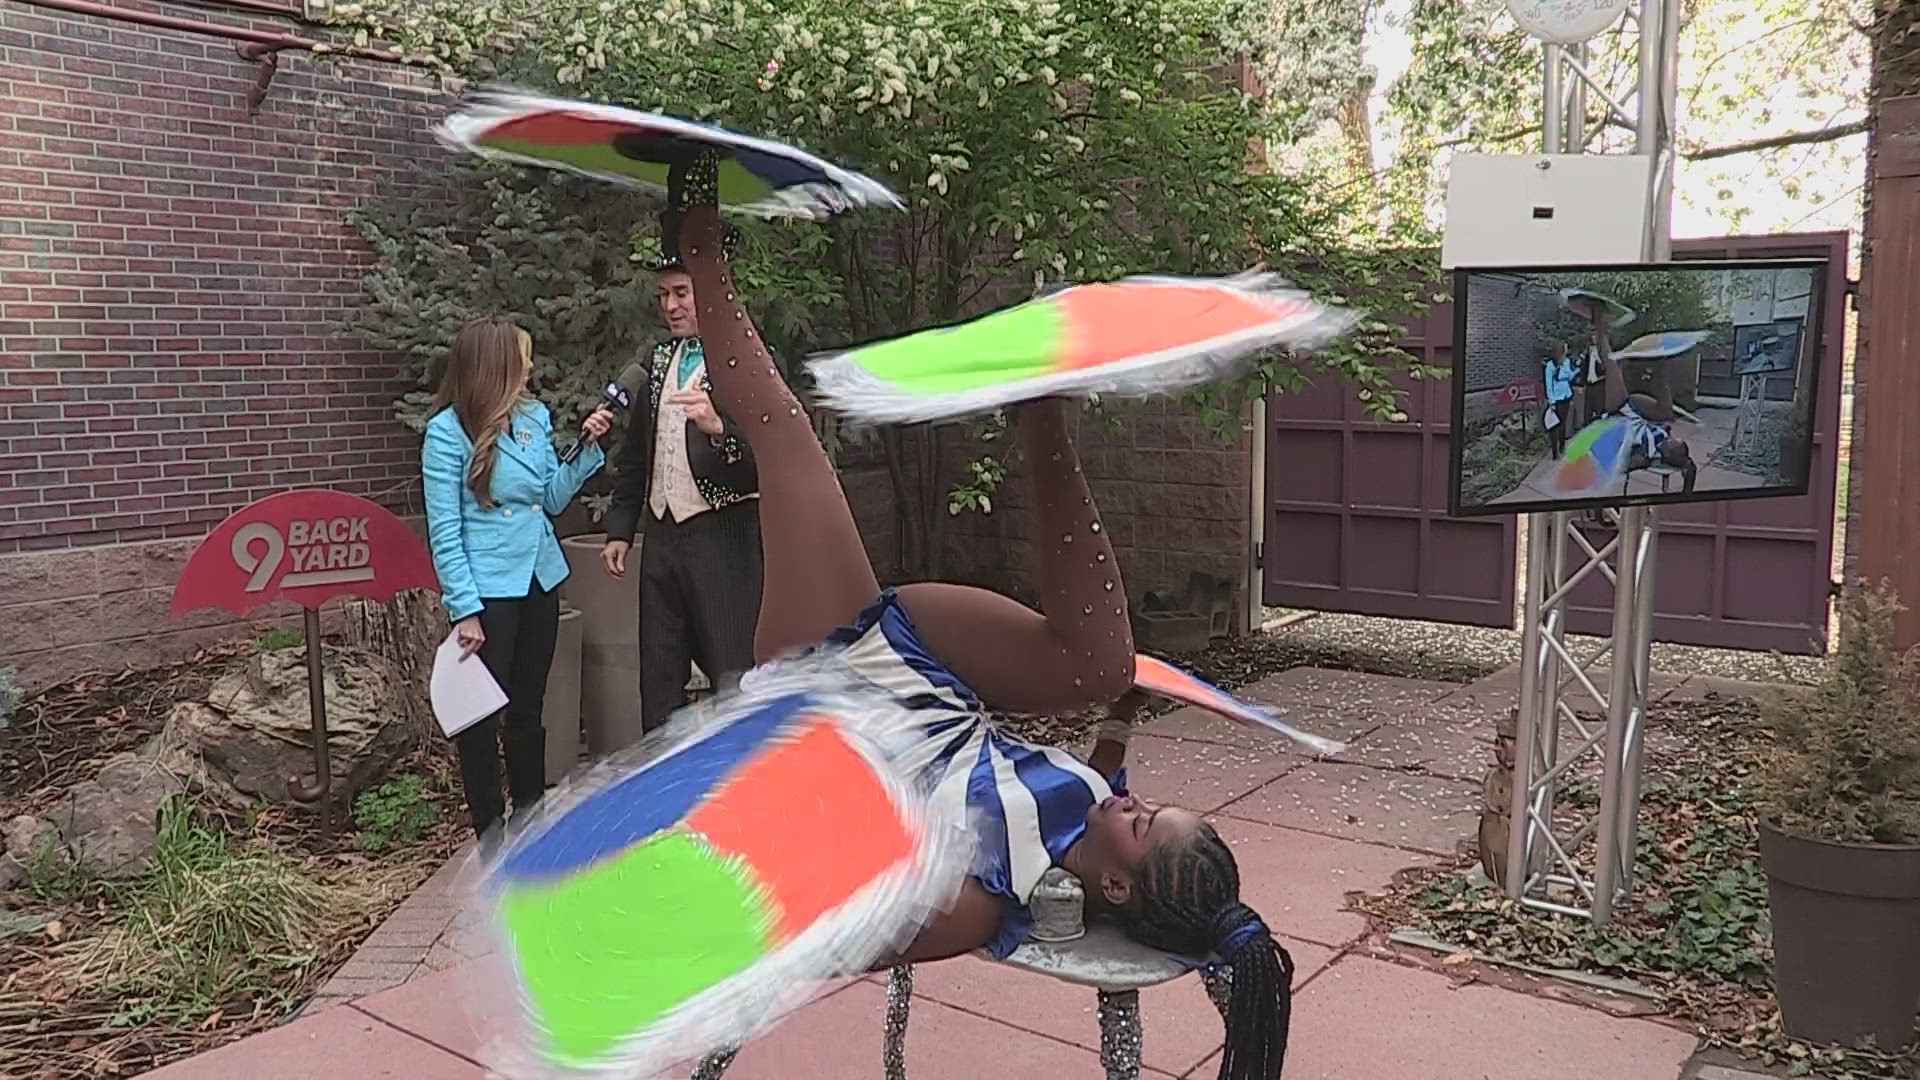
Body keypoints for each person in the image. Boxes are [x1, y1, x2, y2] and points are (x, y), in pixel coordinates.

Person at [664, 149, 1295, 1080]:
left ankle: (696, 247)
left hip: (826, 697)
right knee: (1100, 668)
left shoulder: (988, 900)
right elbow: (1077, 784)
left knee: (790, 442)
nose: (1130, 801)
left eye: (1144, 820)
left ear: (1117, 883)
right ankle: (1038, 407)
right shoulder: (1088, 807)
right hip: (923, 674)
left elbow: (825, 920)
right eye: (1150, 801)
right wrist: (1118, 724)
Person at [423, 317, 612, 840]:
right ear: (496, 365)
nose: (530, 365)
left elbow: (549, 499)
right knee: (482, 716)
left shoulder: (533, 417)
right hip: (486, 589)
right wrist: (465, 608)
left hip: (538, 578)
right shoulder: (447, 433)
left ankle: (531, 820)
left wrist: (586, 450)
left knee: (529, 705)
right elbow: (445, 529)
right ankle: (489, 831)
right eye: (522, 356)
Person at [600, 223, 764, 731]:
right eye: (663, 296)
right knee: (660, 678)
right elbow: (636, 457)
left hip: (721, 537)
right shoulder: (656, 361)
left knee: (733, 674)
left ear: (710, 295)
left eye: (681, 293)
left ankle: (742, 788)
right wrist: (621, 530)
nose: (670, 306)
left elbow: (773, 457)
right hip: (662, 536)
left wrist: (719, 431)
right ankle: (665, 796)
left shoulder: (747, 361)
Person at [1567, 297, 1697, 493]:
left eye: (1674, 443)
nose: (1673, 438)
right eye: (1677, 440)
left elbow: (1618, 465)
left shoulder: (1646, 454)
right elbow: (1690, 466)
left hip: (1620, 414)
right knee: (1666, 411)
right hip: (1638, 411)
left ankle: (1599, 323)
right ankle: (1659, 359)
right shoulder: (1663, 437)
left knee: (1611, 366)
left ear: (1668, 452)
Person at [1542, 340, 1576, 457]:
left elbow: (1570, 377)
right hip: (1556, 398)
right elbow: (1548, 384)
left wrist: (1576, 370)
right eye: (1565, 349)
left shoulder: (1566, 362)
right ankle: (1554, 451)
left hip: (1566, 395)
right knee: (1554, 424)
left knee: (1563, 423)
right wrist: (1551, 401)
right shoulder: (1550, 366)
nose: (1567, 351)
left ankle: (1562, 446)